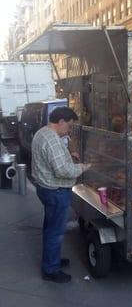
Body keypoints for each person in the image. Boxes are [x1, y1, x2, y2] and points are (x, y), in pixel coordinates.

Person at [32, 107, 91, 283]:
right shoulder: (52, 140)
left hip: (45, 188)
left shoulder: (42, 133)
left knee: (50, 227)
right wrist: (83, 167)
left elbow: (54, 160)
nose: (69, 130)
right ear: (61, 121)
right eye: (69, 125)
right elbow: (63, 170)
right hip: (55, 191)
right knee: (55, 232)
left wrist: (68, 154)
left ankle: (52, 260)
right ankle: (50, 270)